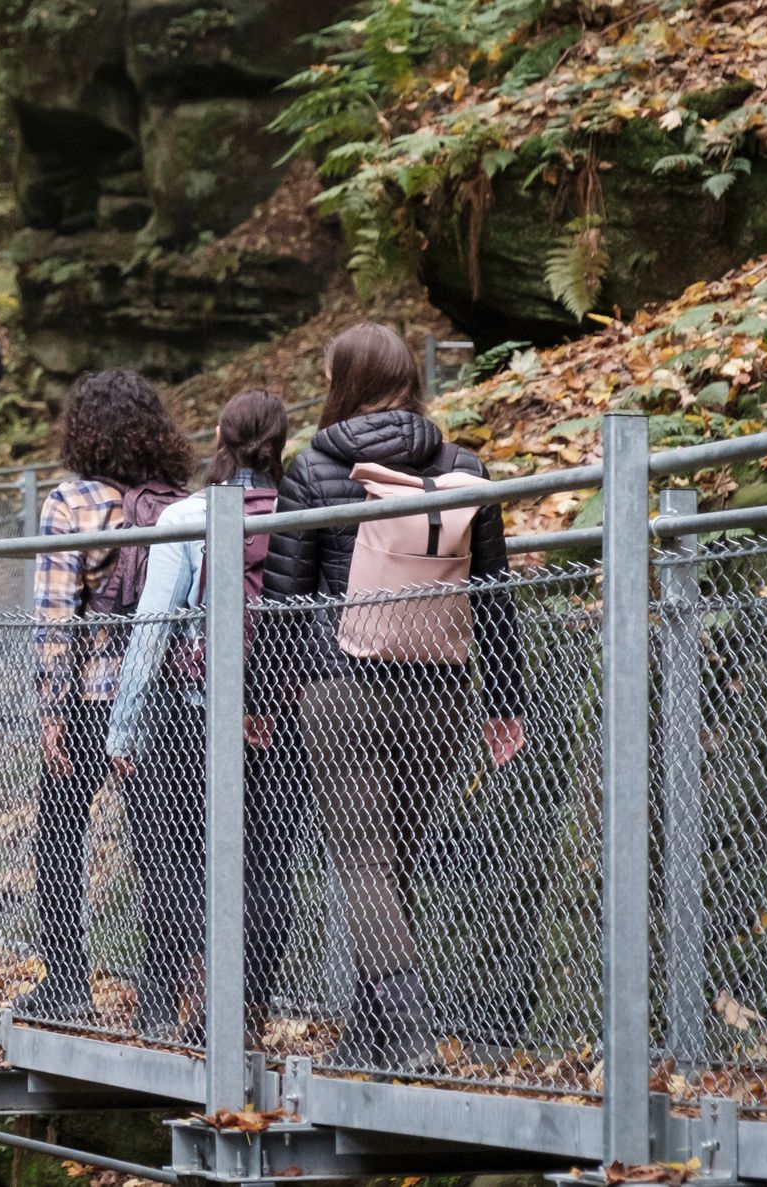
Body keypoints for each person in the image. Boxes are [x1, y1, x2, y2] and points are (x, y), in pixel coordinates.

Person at [260, 323, 523, 1071]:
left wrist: (262, 695)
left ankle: (409, 1039)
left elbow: (283, 598)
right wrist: (505, 701)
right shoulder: (464, 468)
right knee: (392, 863)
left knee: (366, 866)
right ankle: (366, 1036)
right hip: (440, 689)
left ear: (343, 378)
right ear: (410, 377)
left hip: (338, 688)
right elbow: (493, 595)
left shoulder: (313, 469)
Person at [104, 389, 297, 1039]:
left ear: (218, 435)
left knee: (184, 857)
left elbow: (153, 626)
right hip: (284, 715)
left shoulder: (186, 516)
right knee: (269, 861)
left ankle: (185, 1003)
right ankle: (242, 1015)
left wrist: (124, 725)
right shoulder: (305, 515)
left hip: (196, 717)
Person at [19, 369, 195, 1022]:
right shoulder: (178, 502)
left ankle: (67, 985)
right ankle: (157, 1007)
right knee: (163, 849)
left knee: (61, 837)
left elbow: (55, 616)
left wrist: (51, 709)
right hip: (165, 699)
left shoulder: (71, 504)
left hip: (90, 700)